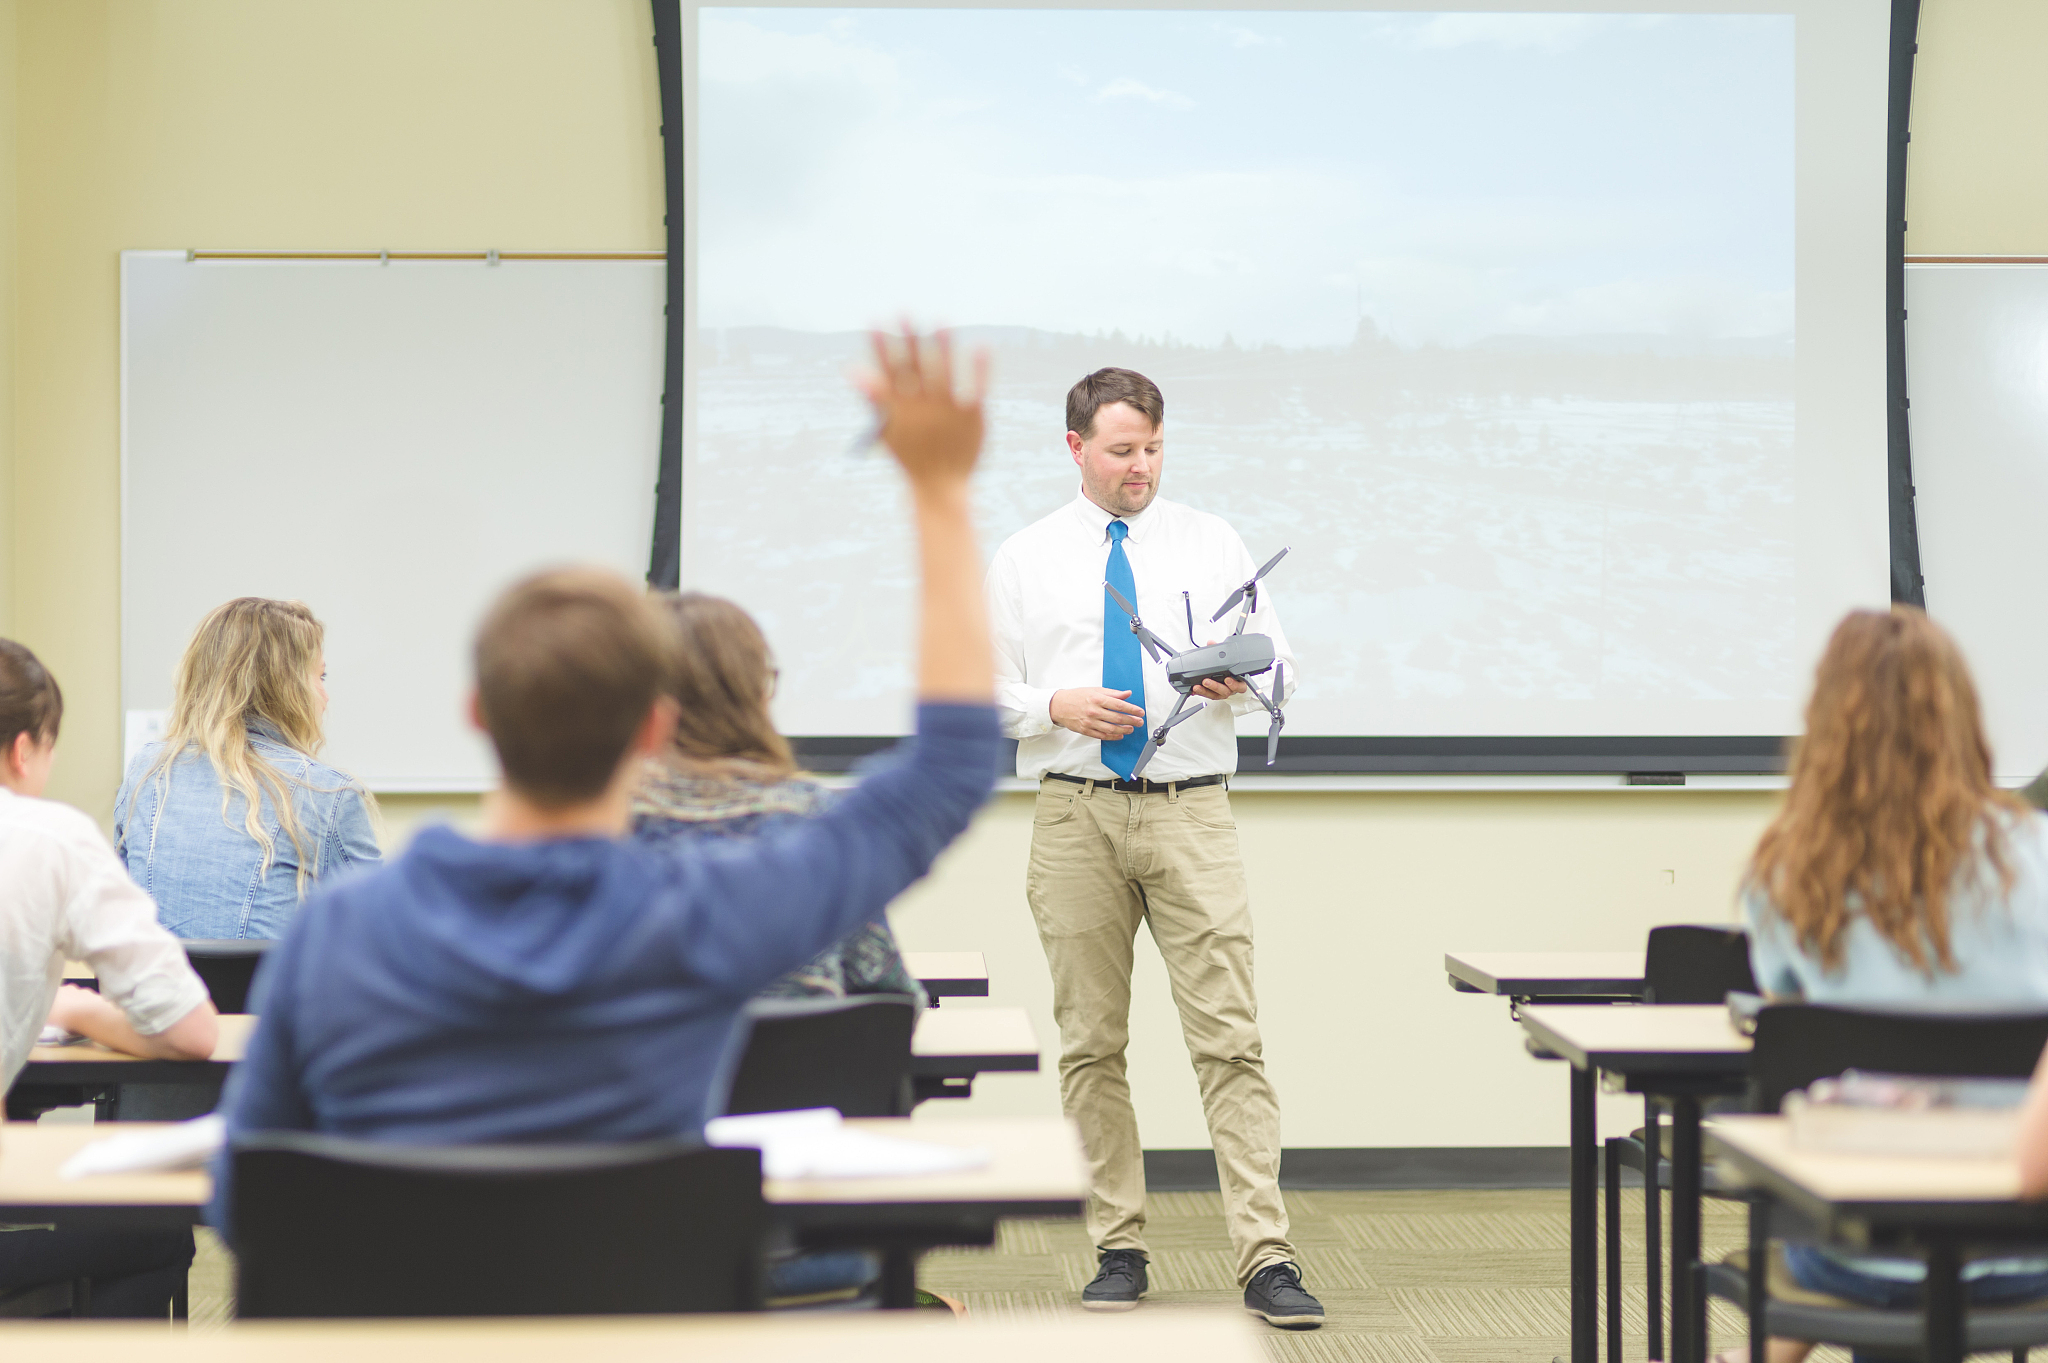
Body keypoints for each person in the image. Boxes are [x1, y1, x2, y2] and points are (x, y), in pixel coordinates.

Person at [212, 328, 1002, 1246]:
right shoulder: (700, 920)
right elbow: (948, 770)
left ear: (476, 712)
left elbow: (243, 1204)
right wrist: (939, 492)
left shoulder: (337, 933)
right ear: (652, 728)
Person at [982, 366, 1320, 1328]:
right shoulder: (1026, 556)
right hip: (1075, 809)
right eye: (1123, 450)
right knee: (1091, 1043)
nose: (1142, 467)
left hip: (1190, 809)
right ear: (1076, 447)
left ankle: (1266, 1256)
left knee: (1231, 1041)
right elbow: (980, 686)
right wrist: (1054, 703)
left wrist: (1240, 683)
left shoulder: (1211, 540)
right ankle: (1117, 1245)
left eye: (1155, 449)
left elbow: (1281, 660)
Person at [1729, 607, 2048, 1363]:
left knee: (1836, 1241)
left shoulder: (1784, 875)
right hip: (2029, 1249)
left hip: (1858, 1251)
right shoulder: (2038, 856)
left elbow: (1785, 1023)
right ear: (1963, 717)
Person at [629, 590, 921, 1307]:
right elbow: (890, 1008)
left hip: (614, 1230)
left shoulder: (588, 838)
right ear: (758, 692)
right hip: (803, 1231)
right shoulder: (826, 829)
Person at [0, 638, 220, 1316]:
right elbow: (192, 1030)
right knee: (152, 1234)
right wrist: (81, 1008)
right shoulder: (49, 839)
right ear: (24, 749)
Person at [631, 591, 922, 1004]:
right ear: (757, 692)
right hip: (803, 1064)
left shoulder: (593, 827)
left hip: (642, 1067)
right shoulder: (820, 820)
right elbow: (889, 999)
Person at [114, 597, 380, 940]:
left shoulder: (146, 772)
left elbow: (115, 923)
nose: (325, 697)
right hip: (266, 995)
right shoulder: (329, 795)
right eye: (320, 676)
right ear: (290, 688)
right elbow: (383, 943)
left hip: (155, 994)